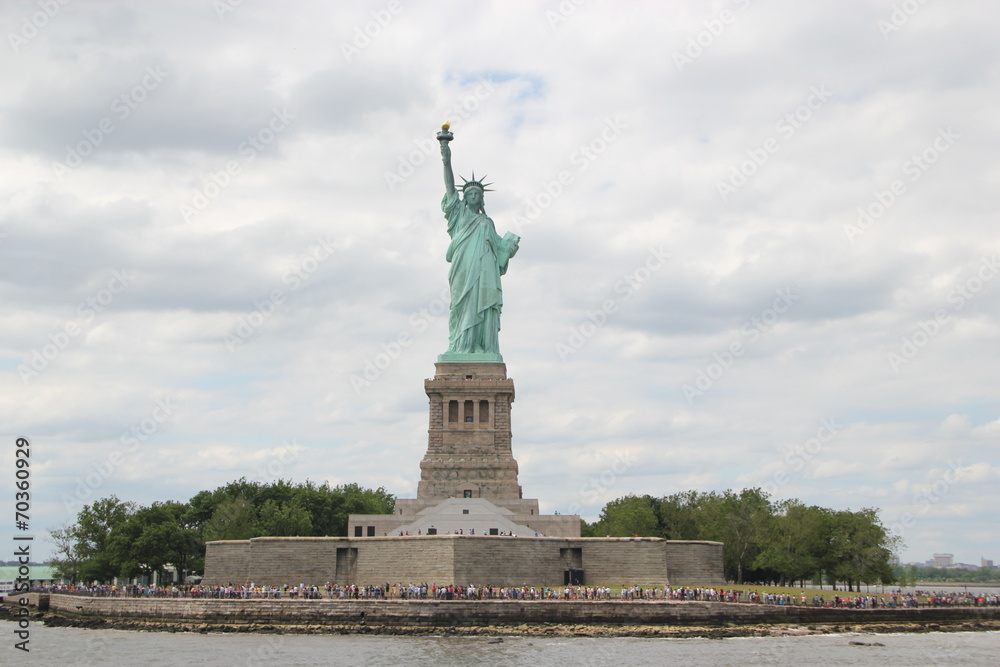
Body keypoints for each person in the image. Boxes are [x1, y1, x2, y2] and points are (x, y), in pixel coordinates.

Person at [439, 137, 519, 356]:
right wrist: (446, 158)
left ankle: (480, 346)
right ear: (464, 199)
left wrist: (509, 248)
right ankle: (461, 346)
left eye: (478, 194)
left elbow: (499, 252)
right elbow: (449, 186)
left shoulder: (487, 223)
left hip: (485, 274)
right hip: (463, 270)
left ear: (482, 199)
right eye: (470, 194)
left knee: (481, 305)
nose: (474, 196)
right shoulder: (459, 215)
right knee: (461, 306)